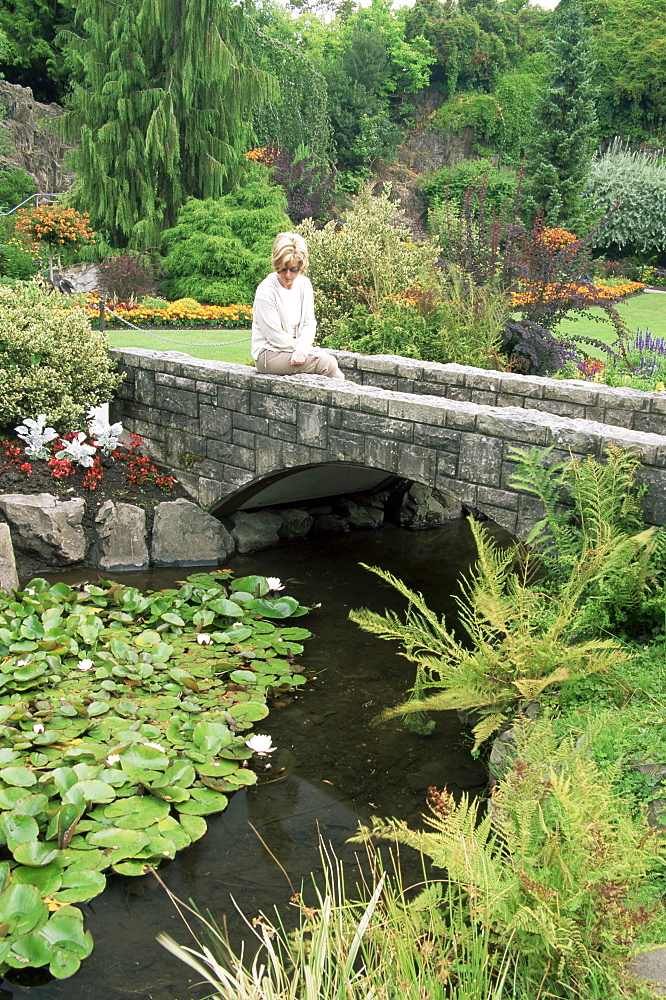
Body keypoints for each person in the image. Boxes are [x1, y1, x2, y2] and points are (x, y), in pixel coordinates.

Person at [252, 232, 345, 379]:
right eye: (283, 269)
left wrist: (302, 349)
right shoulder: (266, 291)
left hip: (294, 348)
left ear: (301, 267)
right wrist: (301, 349)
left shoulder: (304, 284)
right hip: (269, 354)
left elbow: (309, 323)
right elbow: (274, 335)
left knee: (335, 372)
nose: (288, 275)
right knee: (327, 363)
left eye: (294, 269)